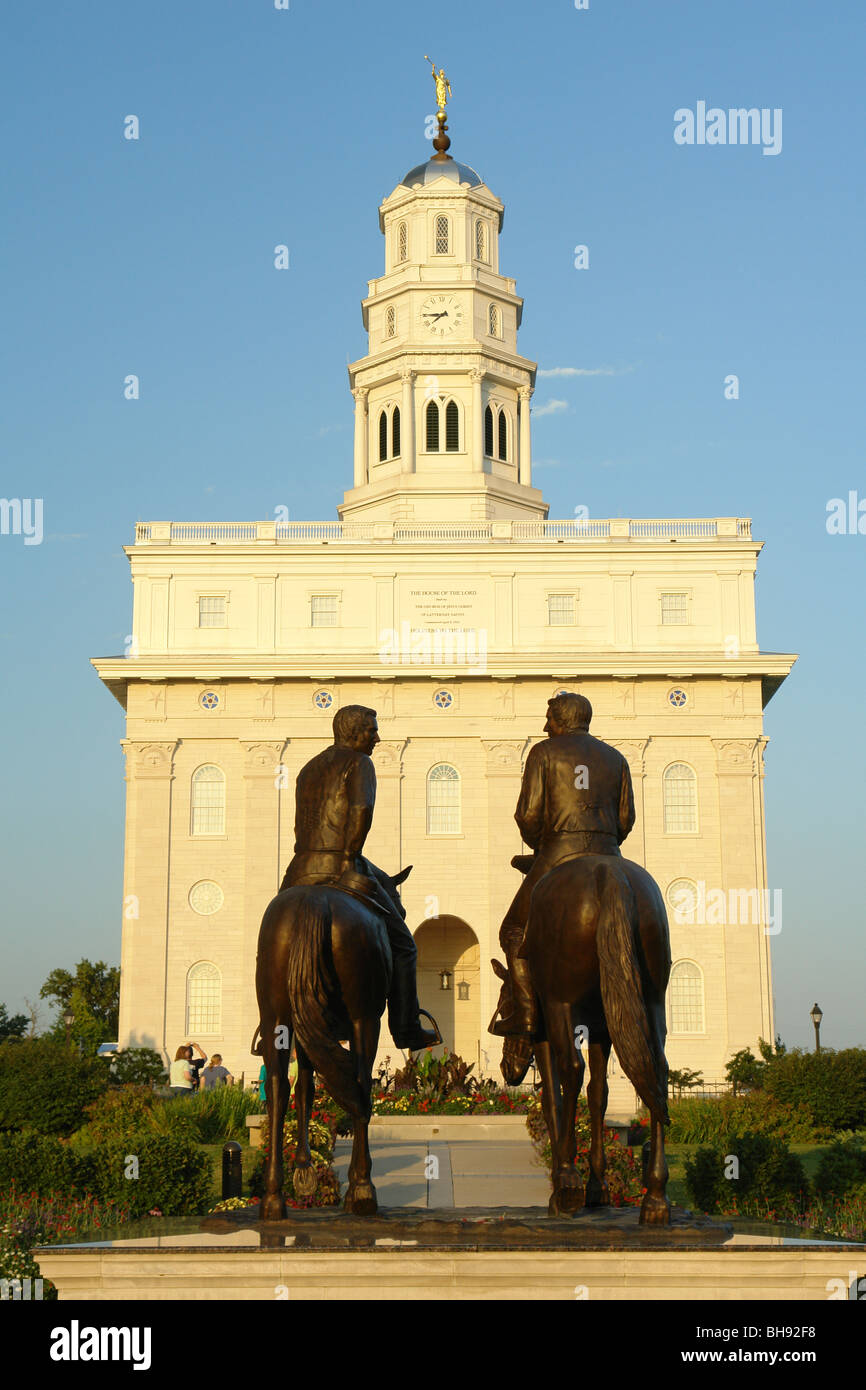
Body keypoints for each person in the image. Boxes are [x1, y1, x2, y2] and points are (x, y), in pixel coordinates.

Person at [280, 704, 439, 1051]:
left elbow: (300, 825)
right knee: (405, 946)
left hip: (299, 869)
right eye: (371, 731)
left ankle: (273, 1026)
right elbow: (361, 810)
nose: (377, 737)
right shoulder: (359, 763)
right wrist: (350, 857)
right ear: (353, 732)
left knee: (273, 945)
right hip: (340, 864)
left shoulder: (308, 768)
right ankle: (406, 1026)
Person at [490, 691, 635, 1046]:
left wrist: (541, 846)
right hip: (609, 854)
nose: (545, 726)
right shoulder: (616, 758)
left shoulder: (544, 752)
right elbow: (625, 819)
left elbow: (527, 815)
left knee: (512, 930)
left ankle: (524, 1012)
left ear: (562, 721)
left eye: (549, 719)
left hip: (559, 852)